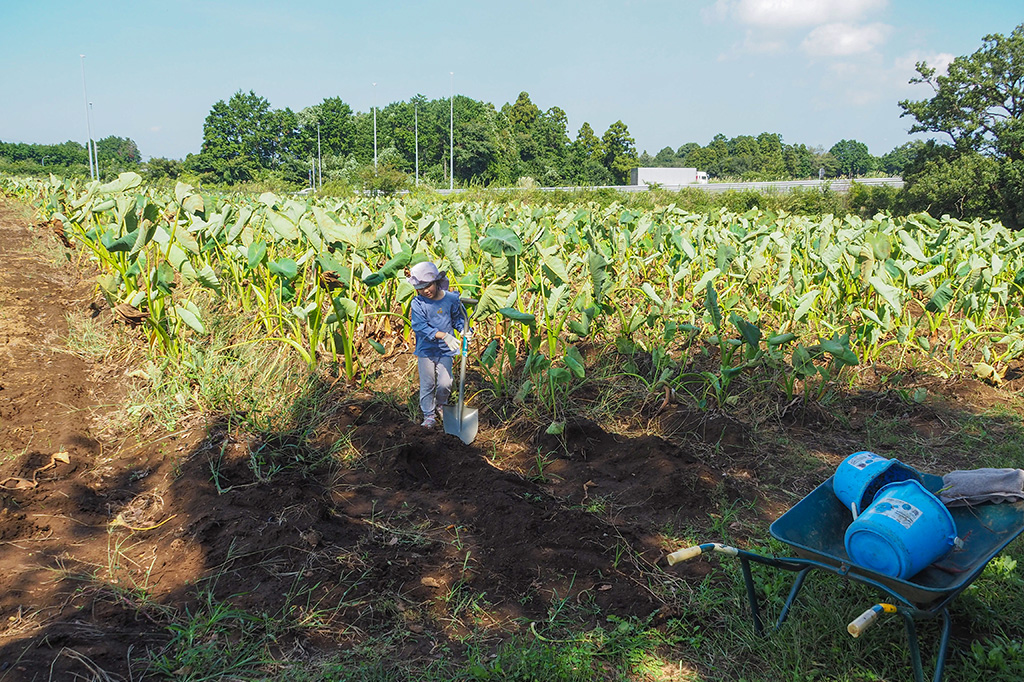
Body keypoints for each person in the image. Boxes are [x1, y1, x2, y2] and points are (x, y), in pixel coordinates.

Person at [408, 261, 467, 428]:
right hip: (426, 350)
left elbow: (458, 318)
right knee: (428, 383)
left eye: (428, 285)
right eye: (420, 287)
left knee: (445, 382)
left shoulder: (451, 299)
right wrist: (442, 335)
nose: (426, 290)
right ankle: (429, 415)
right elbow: (419, 326)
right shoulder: (418, 303)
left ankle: (441, 404)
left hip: (446, 350)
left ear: (436, 282)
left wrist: (463, 330)